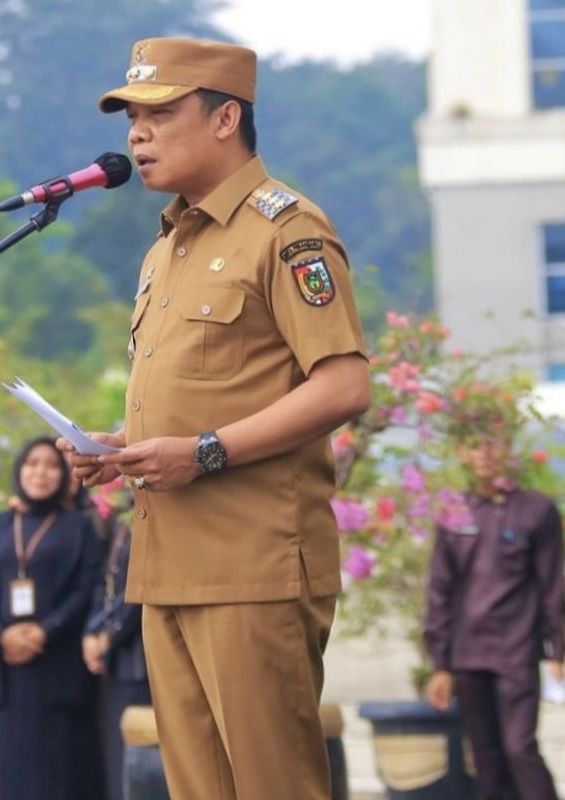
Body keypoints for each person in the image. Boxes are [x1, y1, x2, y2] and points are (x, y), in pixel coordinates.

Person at [62, 37, 371, 799]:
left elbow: (343, 386)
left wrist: (202, 453)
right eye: (132, 116)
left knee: (272, 787)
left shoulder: (286, 230)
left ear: (226, 117)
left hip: (252, 565)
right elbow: (216, 390)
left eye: (160, 113)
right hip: (167, 564)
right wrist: (124, 447)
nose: (137, 133)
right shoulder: (165, 249)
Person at [423, 415, 565, 800]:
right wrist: (440, 662)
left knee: (519, 747)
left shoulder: (537, 510)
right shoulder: (455, 513)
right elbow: (440, 588)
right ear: (461, 453)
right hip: (468, 653)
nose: (485, 453)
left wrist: (556, 648)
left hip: (517, 650)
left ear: (509, 449)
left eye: (493, 443)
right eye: (475, 445)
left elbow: (552, 585)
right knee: (485, 756)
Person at [0, 436, 105, 800]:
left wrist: (44, 631)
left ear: (63, 475)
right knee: (2, 775)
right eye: (32, 463)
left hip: (57, 667)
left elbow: (87, 590)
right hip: (4, 671)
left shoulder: (78, 527)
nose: (40, 472)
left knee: (60, 775)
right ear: (19, 470)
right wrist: (1, 635)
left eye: (51, 465)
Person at [83, 508, 151, 800]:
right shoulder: (121, 516)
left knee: (136, 764)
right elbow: (107, 585)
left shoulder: (145, 511)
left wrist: (108, 635)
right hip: (120, 661)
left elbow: (140, 587)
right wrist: (93, 631)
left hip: (140, 661)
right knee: (118, 762)